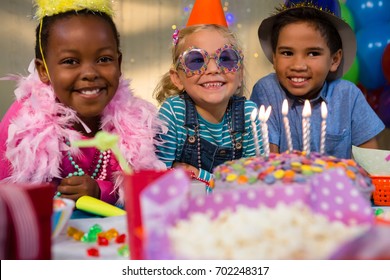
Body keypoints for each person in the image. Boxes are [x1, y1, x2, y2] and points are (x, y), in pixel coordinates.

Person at [0, 0, 165, 205]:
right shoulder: (22, 124)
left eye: (104, 59)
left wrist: (99, 190)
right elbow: (9, 199)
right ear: (44, 71)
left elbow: (141, 192)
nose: (89, 73)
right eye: (70, 61)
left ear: (119, 63)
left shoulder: (133, 124)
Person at [250, 0, 385, 159]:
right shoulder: (267, 90)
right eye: (287, 53)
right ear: (274, 57)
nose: (298, 65)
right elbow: (267, 159)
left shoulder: (348, 96)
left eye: (313, 53)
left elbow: (371, 160)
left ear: (334, 60)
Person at [154, 0, 263, 185]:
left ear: (240, 75)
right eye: (196, 60)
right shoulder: (173, 113)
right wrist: (227, 183)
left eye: (226, 59)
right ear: (177, 78)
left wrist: (197, 174)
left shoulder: (249, 114)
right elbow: (158, 180)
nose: (213, 69)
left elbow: (256, 183)